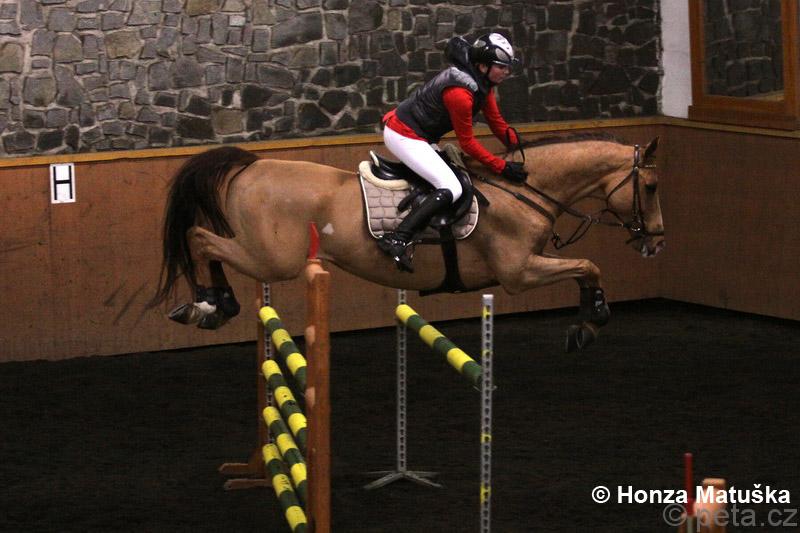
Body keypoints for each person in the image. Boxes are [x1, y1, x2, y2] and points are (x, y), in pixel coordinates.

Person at [377, 32, 528, 272]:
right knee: (451, 187)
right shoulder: (461, 93)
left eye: (508, 67)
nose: (506, 72)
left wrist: (522, 147)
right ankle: (397, 238)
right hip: (403, 135)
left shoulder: (483, 84)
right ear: (483, 66)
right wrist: (501, 167)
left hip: (420, 135)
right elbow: (467, 143)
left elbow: (497, 123)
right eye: (501, 67)